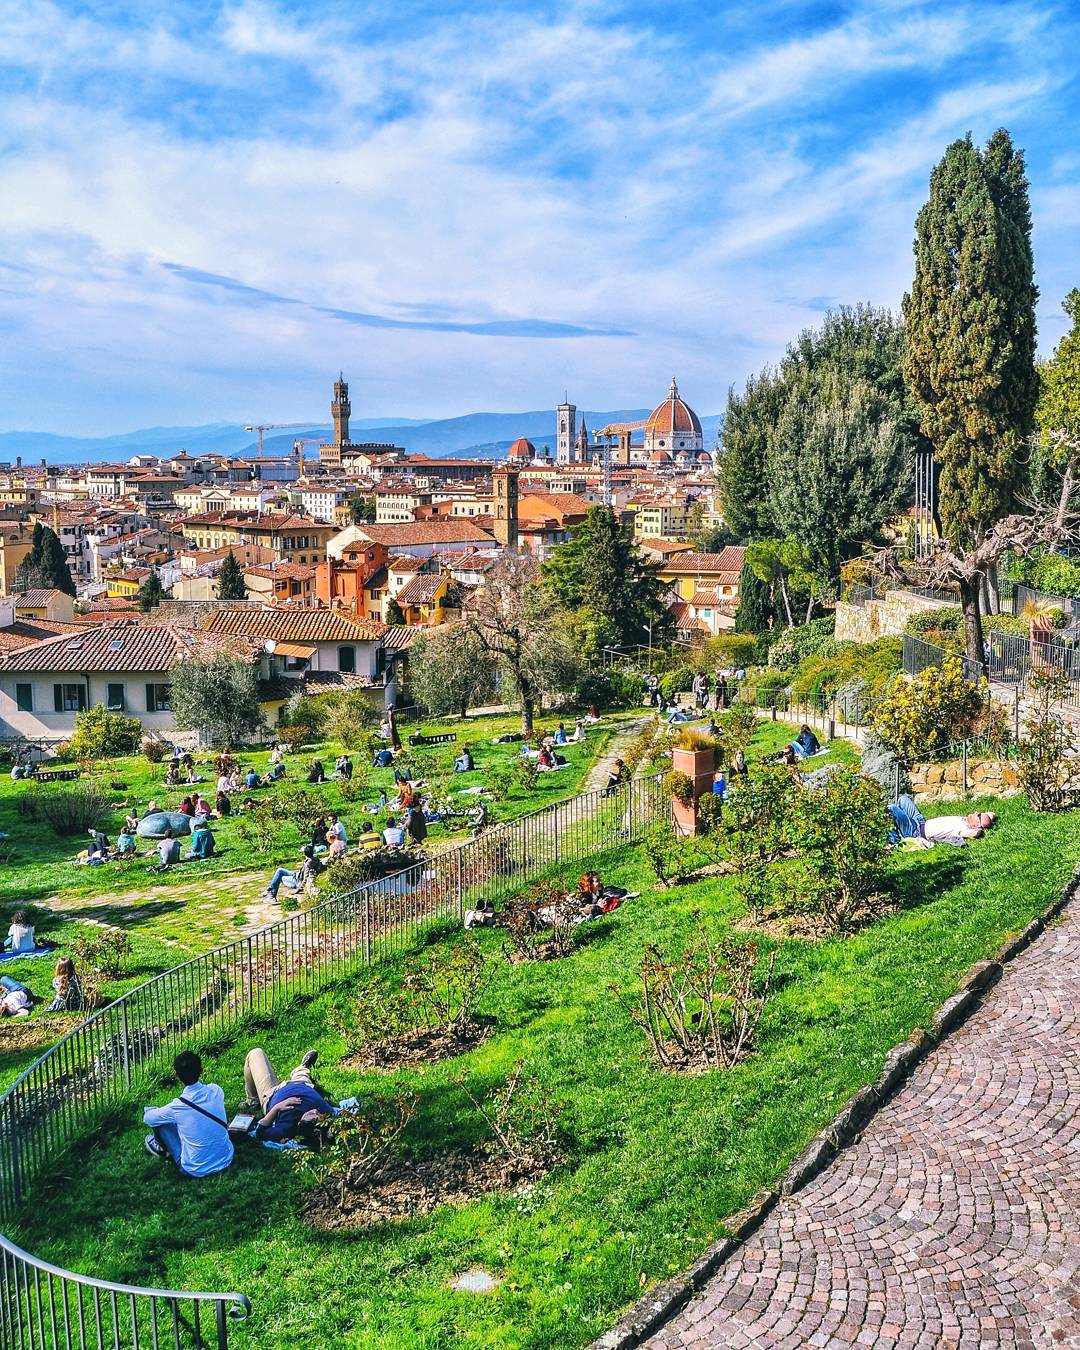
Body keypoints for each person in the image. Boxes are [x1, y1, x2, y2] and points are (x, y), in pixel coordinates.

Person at [143, 1050, 233, 1177]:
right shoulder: (216, 1090)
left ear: (176, 1075)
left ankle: (160, 1147)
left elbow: (148, 1118)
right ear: (201, 1071)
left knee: (161, 1123)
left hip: (195, 1169)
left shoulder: (177, 1107)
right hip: (225, 1158)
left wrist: (151, 1109)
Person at [244, 1048, 334, 1145]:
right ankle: (302, 1067)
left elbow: (260, 1132)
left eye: (313, 1117)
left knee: (256, 1053)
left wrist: (277, 1107)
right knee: (302, 1074)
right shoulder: (326, 1112)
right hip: (303, 1083)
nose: (316, 1112)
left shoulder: (287, 1128)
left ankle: (253, 1101)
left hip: (272, 1093)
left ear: (301, 1124)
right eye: (320, 1116)